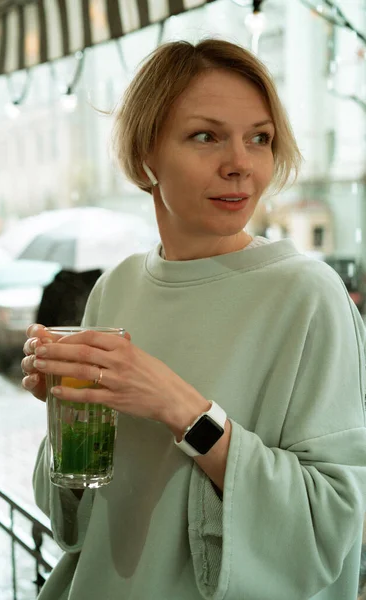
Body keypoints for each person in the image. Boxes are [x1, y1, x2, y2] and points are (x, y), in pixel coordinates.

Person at [21, 39, 366, 600]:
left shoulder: (308, 295)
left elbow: (332, 524)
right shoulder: (116, 287)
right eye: (206, 136)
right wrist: (67, 415)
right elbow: (77, 515)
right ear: (144, 156)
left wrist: (183, 410)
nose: (240, 163)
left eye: (260, 138)